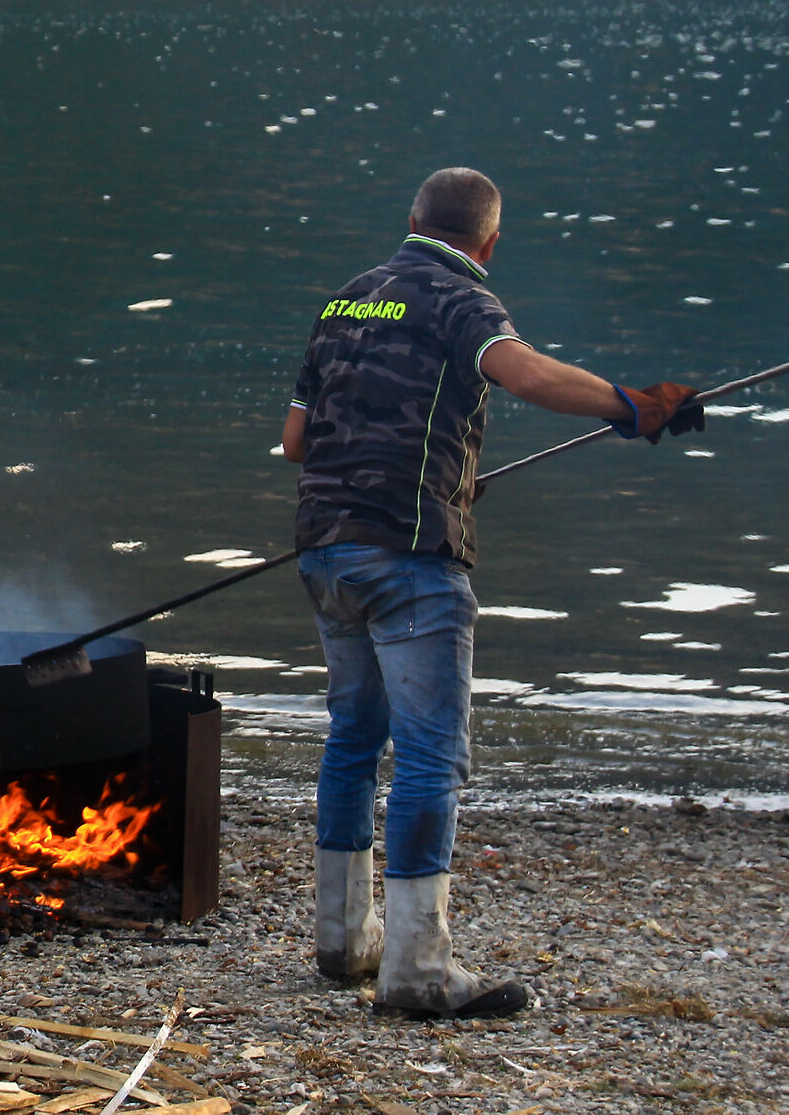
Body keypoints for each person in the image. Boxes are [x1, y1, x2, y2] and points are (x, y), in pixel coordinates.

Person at [278, 167, 702, 1018]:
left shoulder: (346, 300)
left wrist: (440, 471)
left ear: (412, 217)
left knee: (354, 738)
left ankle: (342, 939)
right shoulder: (460, 297)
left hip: (325, 552)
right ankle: (417, 969)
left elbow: (296, 440)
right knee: (431, 755)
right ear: (491, 241)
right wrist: (632, 405)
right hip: (409, 561)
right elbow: (527, 374)